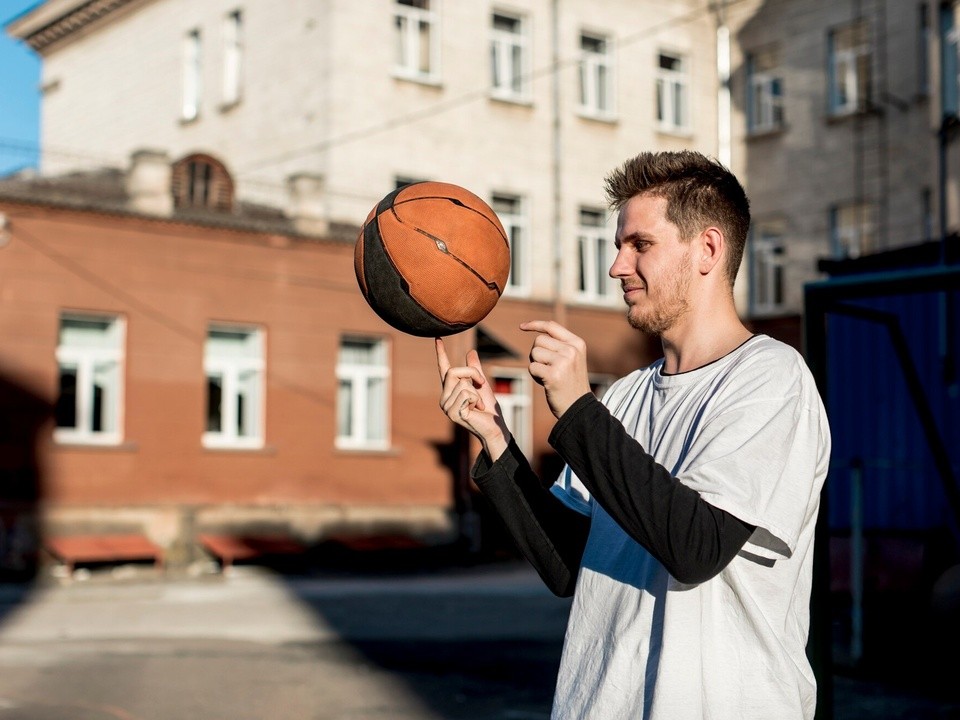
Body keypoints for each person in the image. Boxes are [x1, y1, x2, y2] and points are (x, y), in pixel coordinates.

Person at [436, 150, 831, 720]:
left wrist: (575, 408)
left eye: (639, 245)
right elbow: (567, 563)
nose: (617, 266)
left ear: (708, 250)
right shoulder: (622, 397)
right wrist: (495, 439)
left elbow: (696, 548)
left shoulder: (770, 379)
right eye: (620, 246)